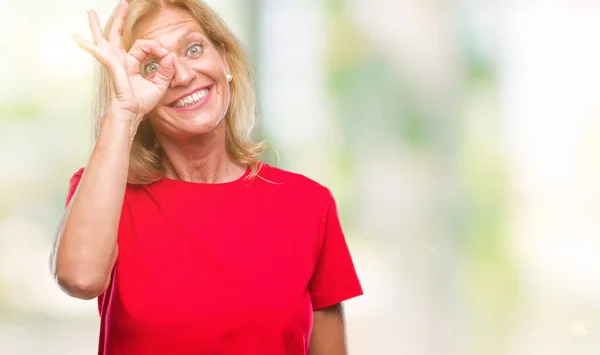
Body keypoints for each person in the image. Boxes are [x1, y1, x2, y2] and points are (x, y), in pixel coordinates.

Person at [50, 0, 363, 354]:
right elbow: (79, 278)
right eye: (152, 66)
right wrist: (123, 113)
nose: (181, 76)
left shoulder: (307, 203)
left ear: (224, 59)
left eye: (194, 49)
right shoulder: (107, 194)